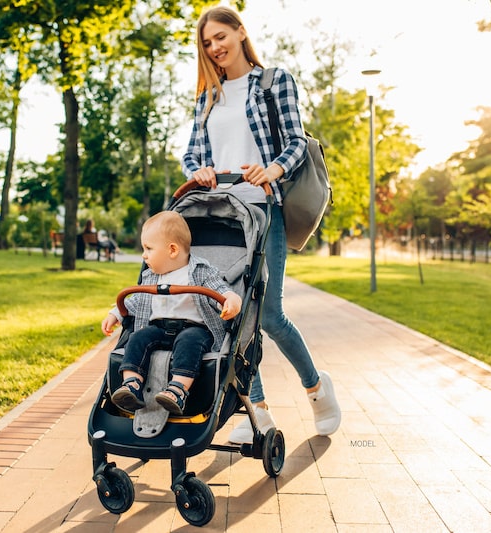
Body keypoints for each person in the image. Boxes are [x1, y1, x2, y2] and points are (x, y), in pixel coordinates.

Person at [180, 5, 340, 441]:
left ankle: (316, 387)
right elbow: (192, 155)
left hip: (263, 209)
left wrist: (272, 170)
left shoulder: (274, 82)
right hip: (221, 216)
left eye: (220, 37)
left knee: (268, 315)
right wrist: (201, 172)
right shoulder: (206, 98)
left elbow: (294, 142)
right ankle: (258, 413)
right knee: (233, 316)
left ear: (240, 32)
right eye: (207, 43)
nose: (214, 48)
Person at [101, 211, 242, 415]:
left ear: (172, 250)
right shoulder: (151, 276)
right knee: (138, 337)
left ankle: (178, 389)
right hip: (158, 328)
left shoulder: (200, 271)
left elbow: (218, 289)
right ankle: (130, 385)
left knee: (189, 342)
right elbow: (137, 300)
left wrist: (231, 299)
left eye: (148, 248)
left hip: (193, 328)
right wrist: (116, 314)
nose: (144, 255)